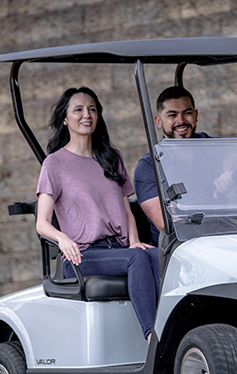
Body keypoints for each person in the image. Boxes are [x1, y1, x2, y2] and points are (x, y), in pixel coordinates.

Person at [36, 87, 160, 341]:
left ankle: (178, 331)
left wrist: (134, 240)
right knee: (136, 260)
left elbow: (125, 207)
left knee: (162, 256)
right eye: (78, 110)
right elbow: (42, 223)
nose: (87, 115)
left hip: (119, 248)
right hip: (83, 256)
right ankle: (153, 338)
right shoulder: (55, 164)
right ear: (65, 118)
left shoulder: (111, 158)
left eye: (92, 109)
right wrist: (62, 238)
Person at [133, 86, 211, 246]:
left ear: (196, 115)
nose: (181, 121)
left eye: (187, 113)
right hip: (178, 246)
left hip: (220, 234)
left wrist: (229, 173)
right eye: (172, 115)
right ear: (158, 121)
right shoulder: (149, 167)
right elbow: (168, 226)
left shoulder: (210, 147)